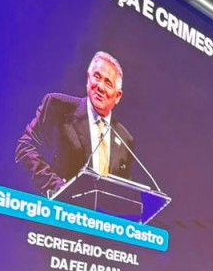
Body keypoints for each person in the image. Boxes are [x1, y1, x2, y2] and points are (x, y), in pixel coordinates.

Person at [15, 51, 135, 198]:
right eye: (97, 77)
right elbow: (25, 147)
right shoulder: (58, 107)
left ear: (117, 96)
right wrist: (58, 188)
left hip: (100, 213)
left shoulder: (124, 138)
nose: (100, 86)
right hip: (55, 208)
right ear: (88, 78)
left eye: (108, 83)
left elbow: (124, 192)